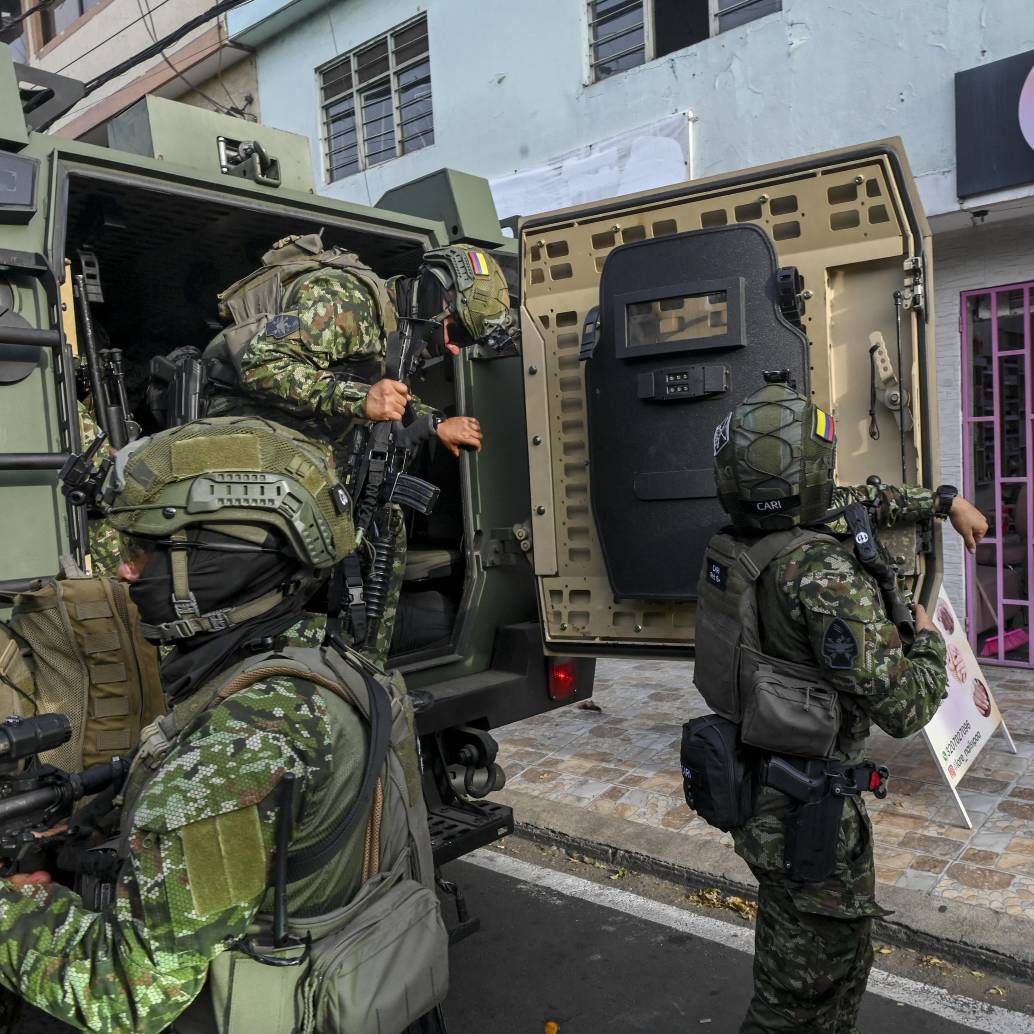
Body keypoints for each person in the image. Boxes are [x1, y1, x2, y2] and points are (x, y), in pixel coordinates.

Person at [0, 416, 444, 1033]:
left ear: (219, 562)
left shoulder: (239, 744)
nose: (127, 572)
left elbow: (128, 992)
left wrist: (13, 906)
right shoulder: (329, 662)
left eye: (144, 551)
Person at [698, 377, 988, 1034]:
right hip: (808, 817)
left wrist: (945, 502)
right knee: (805, 996)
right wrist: (922, 637)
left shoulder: (748, 535)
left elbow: (868, 501)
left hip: (759, 785)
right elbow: (905, 708)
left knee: (795, 969)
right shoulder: (824, 577)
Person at [203, 234, 516, 665]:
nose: (455, 348)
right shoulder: (342, 299)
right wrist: (358, 399)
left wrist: (435, 423)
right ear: (436, 297)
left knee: (385, 539)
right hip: (258, 459)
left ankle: (364, 669)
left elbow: (389, 395)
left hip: (312, 464)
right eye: (457, 329)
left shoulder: (395, 328)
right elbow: (261, 366)